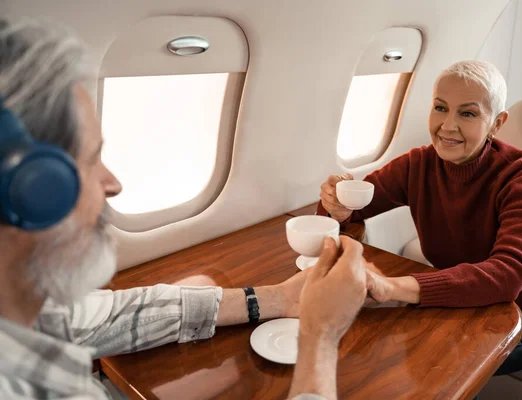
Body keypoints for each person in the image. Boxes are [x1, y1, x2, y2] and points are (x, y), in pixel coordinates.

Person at [0, 17, 367, 400]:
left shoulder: (34, 308)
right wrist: (319, 338)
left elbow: (114, 316)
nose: (113, 184)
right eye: (92, 159)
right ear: (33, 190)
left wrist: (279, 298)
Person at [318, 59, 522, 375]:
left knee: (447, 358)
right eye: (440, 108)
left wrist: (392, 288)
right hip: (468, 302)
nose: (448, 126)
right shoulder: (418, 165)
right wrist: (336, 203)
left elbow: (507, 275)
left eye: (467, 113)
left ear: (497, 123)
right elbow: (355, 206)